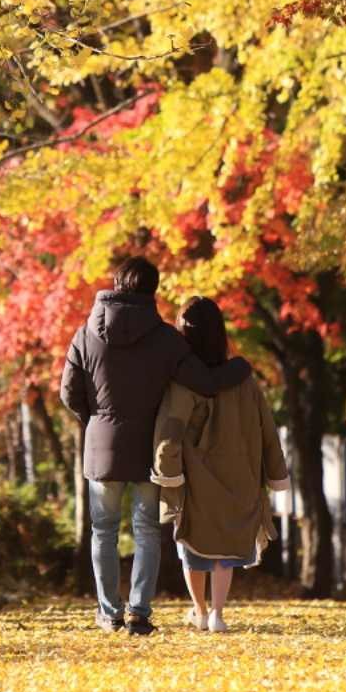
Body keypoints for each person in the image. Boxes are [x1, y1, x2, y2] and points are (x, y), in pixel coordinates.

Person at [61, 257, 250, 636]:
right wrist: (241, 367)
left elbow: (69, 392)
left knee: (104, 531)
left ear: (116, 283)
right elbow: (206, 382)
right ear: (152, 289)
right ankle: (139, 612)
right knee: (147, 530)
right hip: (150, 449)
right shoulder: (165, 339)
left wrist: (96, 421)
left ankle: (108, 612)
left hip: (101, 449)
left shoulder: (85, 334)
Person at [151, 295, 290, 633]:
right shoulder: (244, 381)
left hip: (196, 478)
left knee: (192, 546)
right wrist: (276, 474)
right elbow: (267, 428)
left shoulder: (183, 384)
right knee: (224, 552)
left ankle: (198, 610)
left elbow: (170, 430)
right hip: (238, 475)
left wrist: (166, 472)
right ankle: (218, 613)